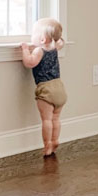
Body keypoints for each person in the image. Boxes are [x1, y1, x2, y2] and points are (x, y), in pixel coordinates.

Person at [20, 17, 67, 157]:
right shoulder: (55, 49)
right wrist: (57, 38)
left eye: (34, 34)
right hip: (59, 87)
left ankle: (47, 144)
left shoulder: (39, 51)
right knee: (56, 118)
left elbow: (29, 63)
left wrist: (25, 50)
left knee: (46, 120)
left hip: (46, 89)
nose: (31, 36)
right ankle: (55, 140)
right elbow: (61, 42)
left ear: (41, 40)